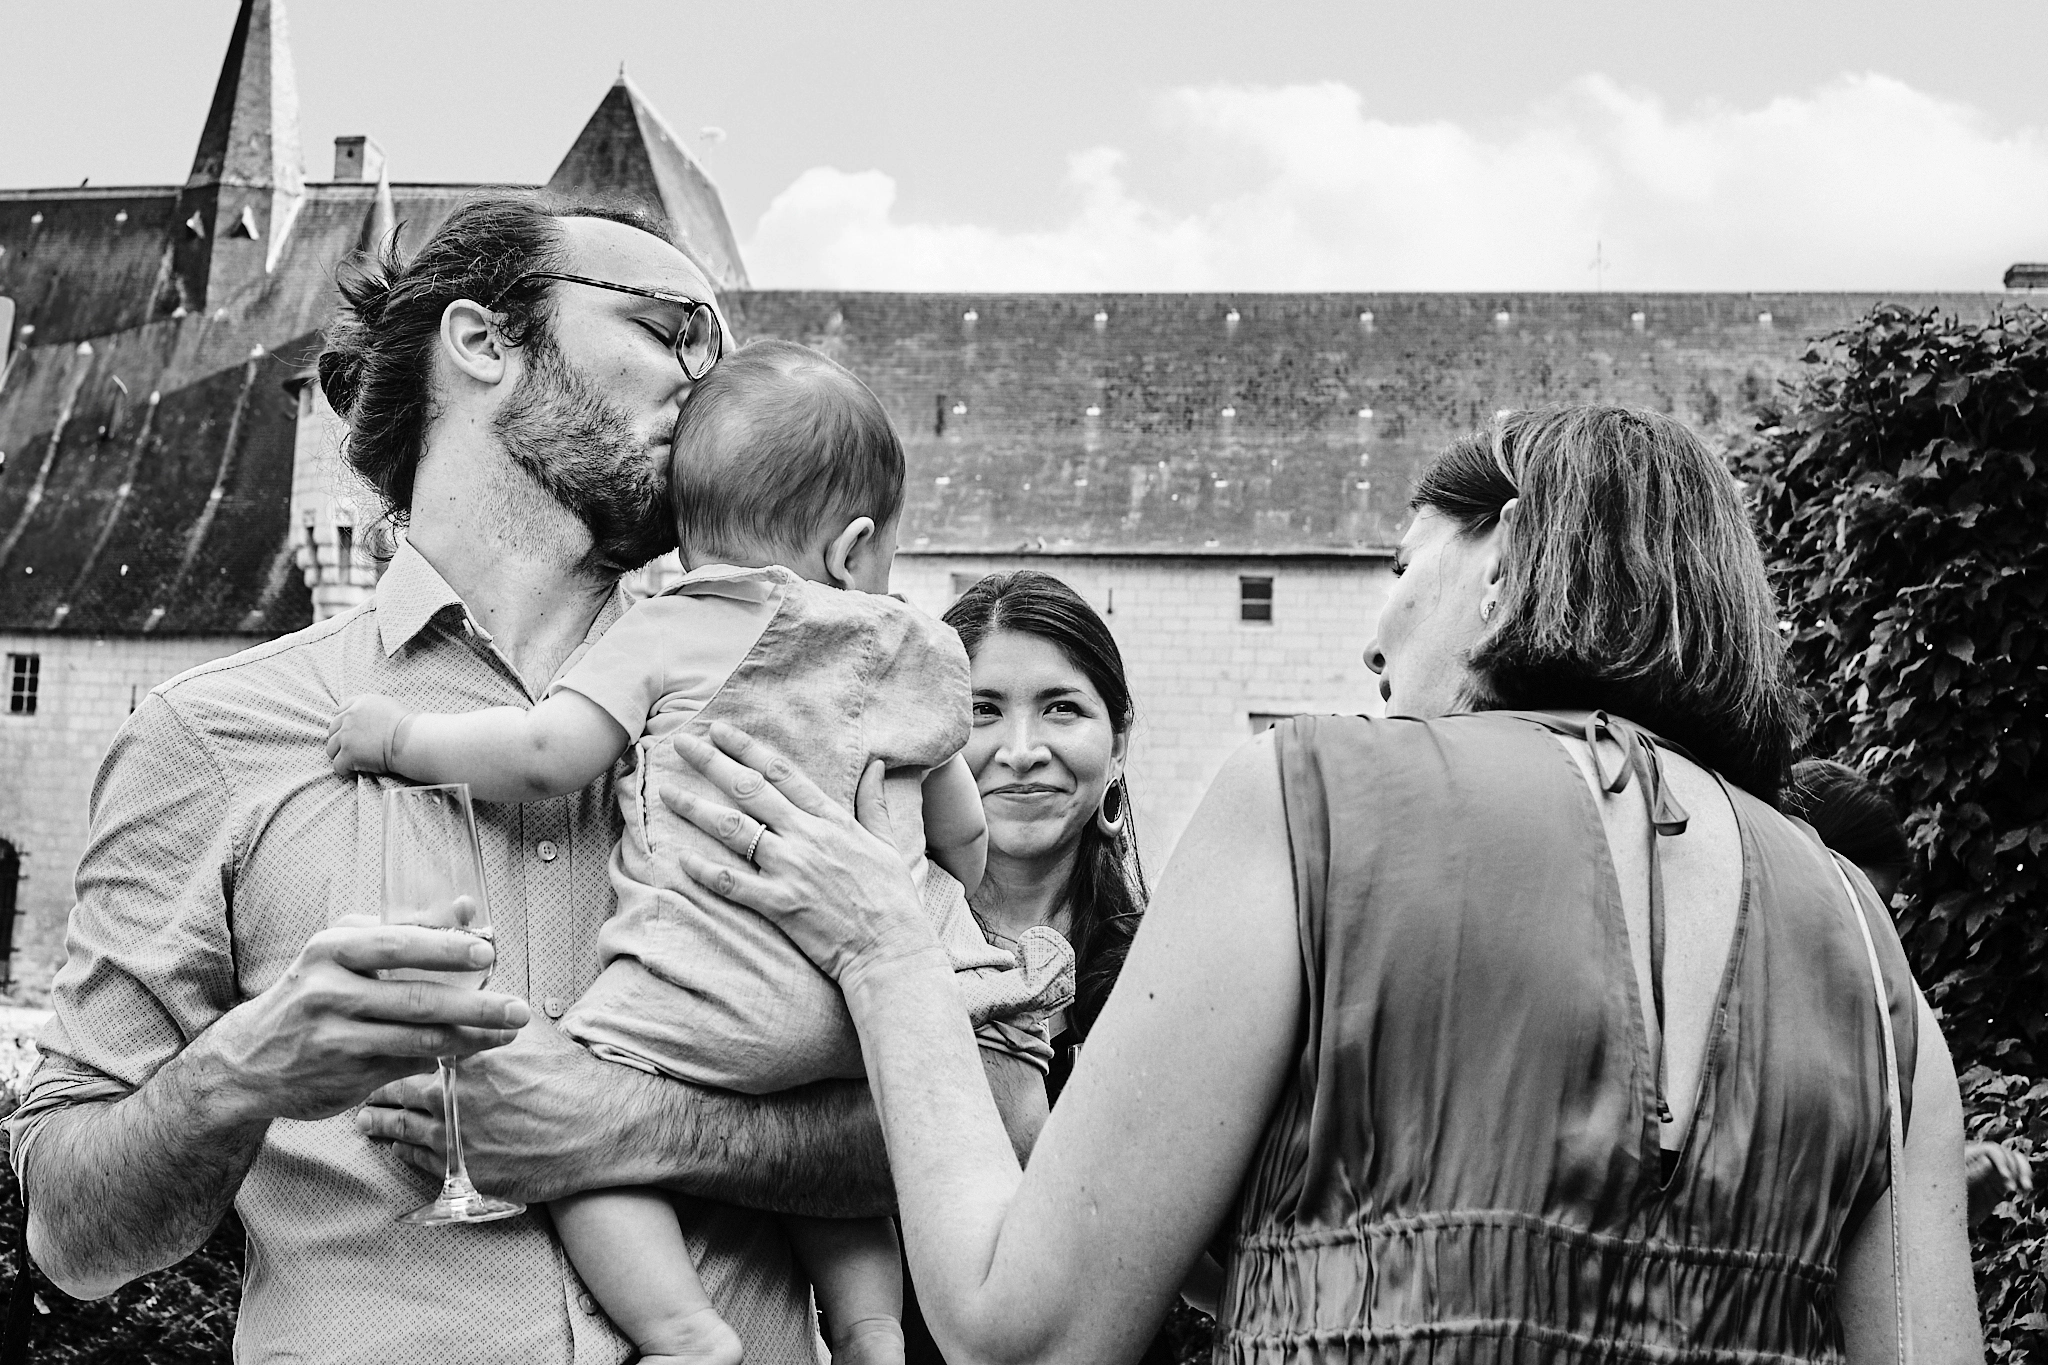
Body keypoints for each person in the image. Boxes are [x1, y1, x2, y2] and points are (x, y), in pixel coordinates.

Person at [660, 406, 1986, 1362]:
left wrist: (888, 947)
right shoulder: (1865, 949)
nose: (1372, 629)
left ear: (1510, 561)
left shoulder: (1316, 800)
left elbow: (1028, 1327)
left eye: (1403, 567)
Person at [8, 195, 1039, 1365]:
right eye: (673, 330)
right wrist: (244, 1070)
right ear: (484, 342)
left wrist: (622, 1125)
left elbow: (999, 1119)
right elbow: (69, 1236)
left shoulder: (802, 705)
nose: (713, 384)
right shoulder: (214, 734)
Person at [327, 340, 1070, 1365]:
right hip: (857, 1008)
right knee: (825, 1144)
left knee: (574, 1120)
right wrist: (932, 879)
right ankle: (867, 1332)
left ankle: (681, 1334)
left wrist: (400, 741)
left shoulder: (672, 626)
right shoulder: (907, 646)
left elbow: (547, 758)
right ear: (855, 551)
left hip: (705, 993)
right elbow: (960, 830)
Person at [1785, 757, 2036, 1230]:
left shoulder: (1873, 1024)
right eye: (1853, 905)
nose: (1870, 940)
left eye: (1880, 916)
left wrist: (1938, 1188)